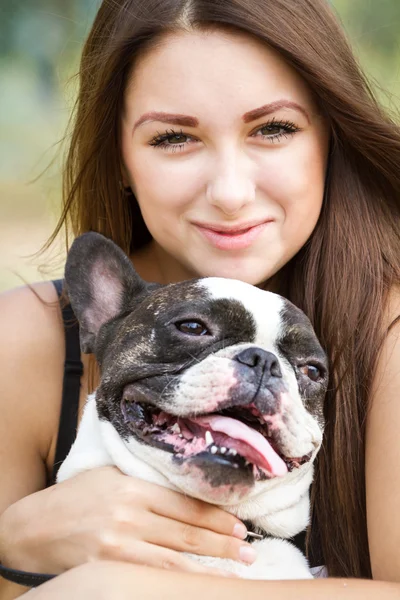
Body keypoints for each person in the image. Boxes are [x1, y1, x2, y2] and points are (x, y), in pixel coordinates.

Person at [1, 0, 400, 597]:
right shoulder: (25, 339)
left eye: (274, 129)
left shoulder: (387, 328)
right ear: (120, 159)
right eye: (174, 138)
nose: (231, 192)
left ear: (331, 140)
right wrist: (14, 540)